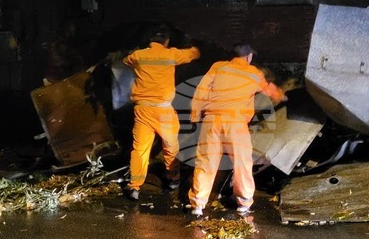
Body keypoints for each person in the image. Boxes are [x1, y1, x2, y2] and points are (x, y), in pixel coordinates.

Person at [187, 44, 286, 217]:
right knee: (242, 163)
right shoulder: (254, 73)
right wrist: (282, 96)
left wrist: (195, 116)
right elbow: (270, 90)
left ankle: (197, 205)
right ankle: (244, 204)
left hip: (212, 121)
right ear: (248, 57)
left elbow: (201, 90)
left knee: (206, 162)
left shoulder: (218, 67)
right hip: (235, 124)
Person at [122, 26, 200, 201]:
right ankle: (173, 179)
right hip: (163, 110)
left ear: (150, 42)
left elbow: (125, 60)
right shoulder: (171, 54)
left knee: (140, 149)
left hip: (142, 110)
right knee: (170, 146)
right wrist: (191, 44)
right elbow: (193, 54)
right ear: (166, 42)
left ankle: (134, 186)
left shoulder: (138, 56)